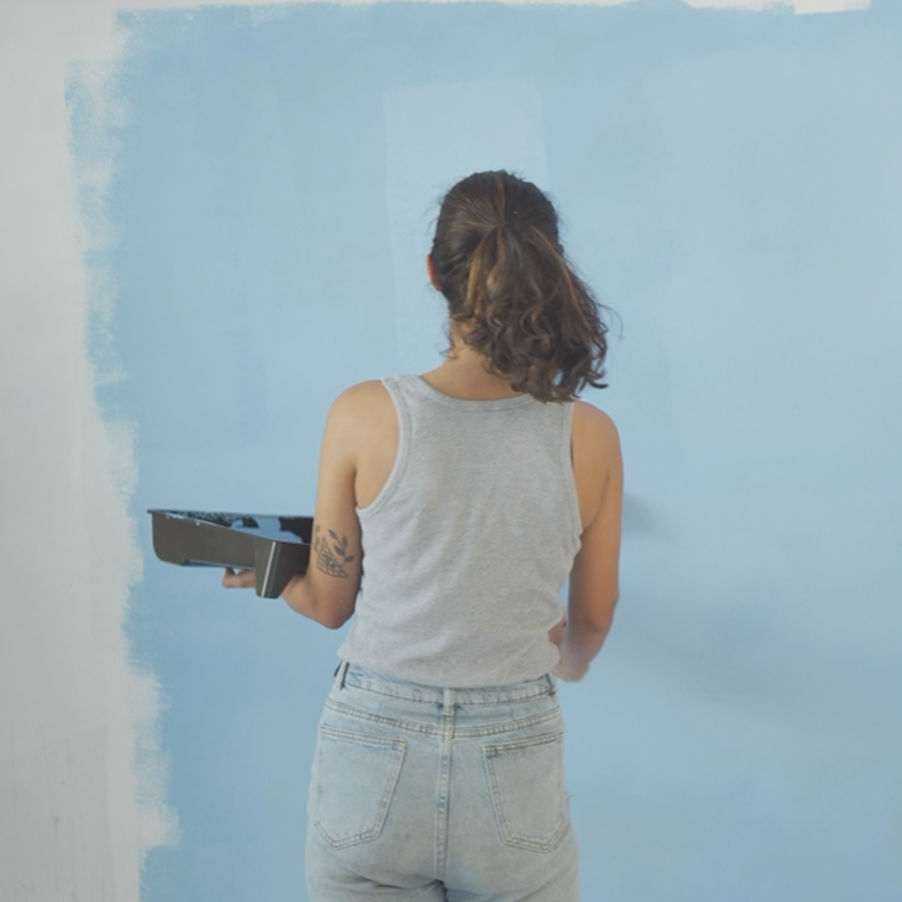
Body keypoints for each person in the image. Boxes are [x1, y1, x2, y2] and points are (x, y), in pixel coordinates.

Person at [223, 170, 622, 901]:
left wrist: (265, 571)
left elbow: (329, 603)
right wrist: (570, 660)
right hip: (516, 746)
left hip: (373, 747)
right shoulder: (588, 435)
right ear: (547, 268)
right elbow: (592, 617)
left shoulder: (362, 413)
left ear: (435, 273)